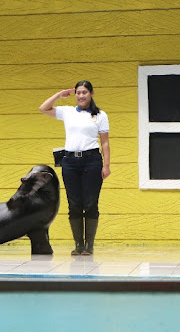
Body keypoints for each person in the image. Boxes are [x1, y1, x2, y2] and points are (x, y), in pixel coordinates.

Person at [39, 80, 110, 255]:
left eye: (84, 92)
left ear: (91, 94)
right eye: (78, 92)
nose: (81, 96)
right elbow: (43, 108)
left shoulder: (100, 115)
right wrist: (59, 95)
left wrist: (106, 165)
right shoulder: (68, 112)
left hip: (92, 160)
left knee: (90, 203)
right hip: (70, 162)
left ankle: (89, 246)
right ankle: (78, 245)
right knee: (74, 204)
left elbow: (105, 143)